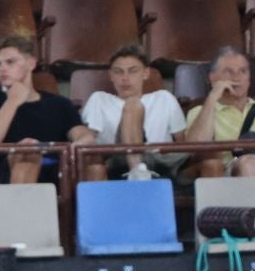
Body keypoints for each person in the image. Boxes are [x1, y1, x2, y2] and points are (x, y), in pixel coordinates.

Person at [0, 35, 92, 184]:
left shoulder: (59, 104)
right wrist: (12, 101)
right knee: (27, 155)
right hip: (6, 173)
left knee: (93, 162)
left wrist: (82, 141)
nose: (2, 69)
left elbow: (82, 135)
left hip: (58, 171)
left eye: (10, 62)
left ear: (31, 63)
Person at [80, 44, 189, 181]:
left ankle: (138, 171)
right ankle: (137, 170)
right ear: (111, 75)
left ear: (146, 73)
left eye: (133, 71)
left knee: (133, 103)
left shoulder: (164, 98)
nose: (125, 78)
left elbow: (182, 143)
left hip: (159, 159)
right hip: (117, 159)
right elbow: (88, 141)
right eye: (118, 72)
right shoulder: (99, 99)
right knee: (133, 104)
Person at [183, 46, 255, 177]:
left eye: (243, 71)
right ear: (213, 78)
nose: (237, 77)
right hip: (225, 173)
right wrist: (212, 98)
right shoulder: (200, 112)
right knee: (249, 164)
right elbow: (194, 149)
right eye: (228, 72)